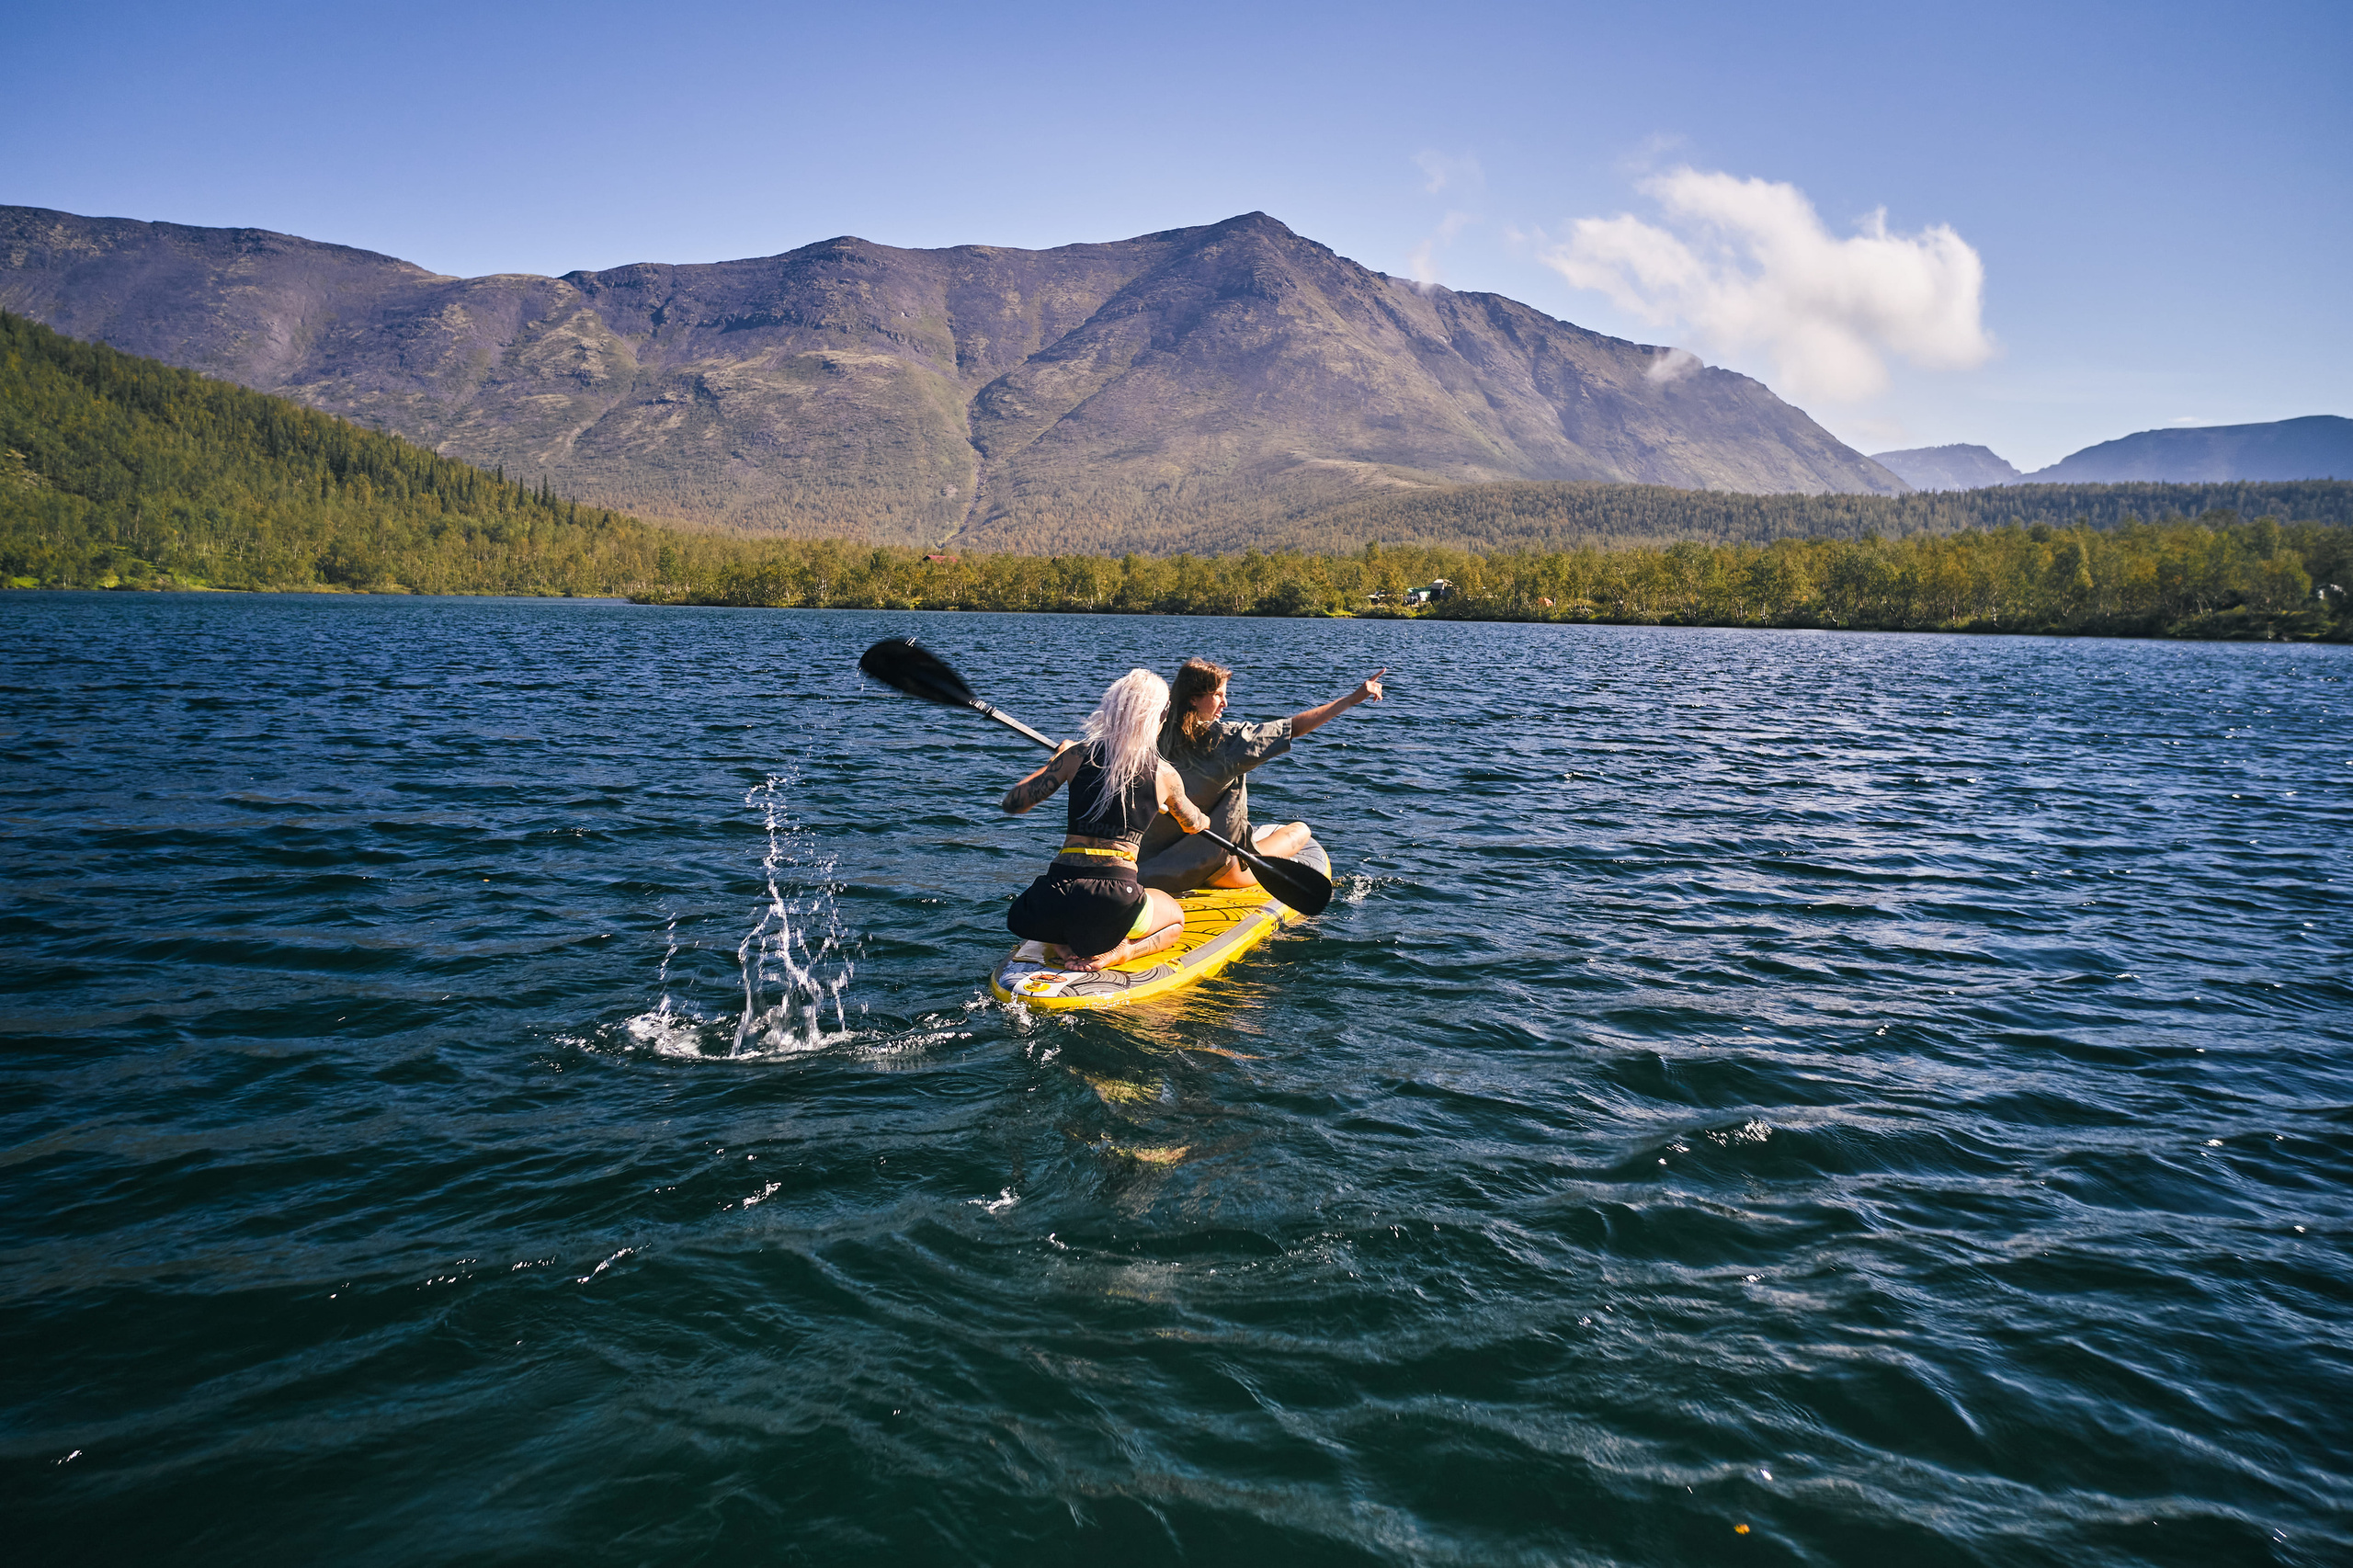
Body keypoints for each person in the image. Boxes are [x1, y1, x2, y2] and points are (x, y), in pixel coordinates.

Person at [1002, 668, 1211, 971]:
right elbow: (1192, 823)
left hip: (1052, 894)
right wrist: (1201, 817)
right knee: (1175, 917)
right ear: (1159, 716)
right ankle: (1120, 953)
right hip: (1115, 899)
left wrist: (1055, 762)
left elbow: (1015, 803)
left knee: (1064, 910)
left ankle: (1063, 945)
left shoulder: (1076, 756)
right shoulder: (1164, 774)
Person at [1136, 657, 1386, 896]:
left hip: (1153, 870)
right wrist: (1353, 699)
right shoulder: (1227, 742)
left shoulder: (1147, 738)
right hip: (1216, 870)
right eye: (1218, 695)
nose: (1225, 703)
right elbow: (1294, 728)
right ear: (1194, 699)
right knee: (1300, 830)